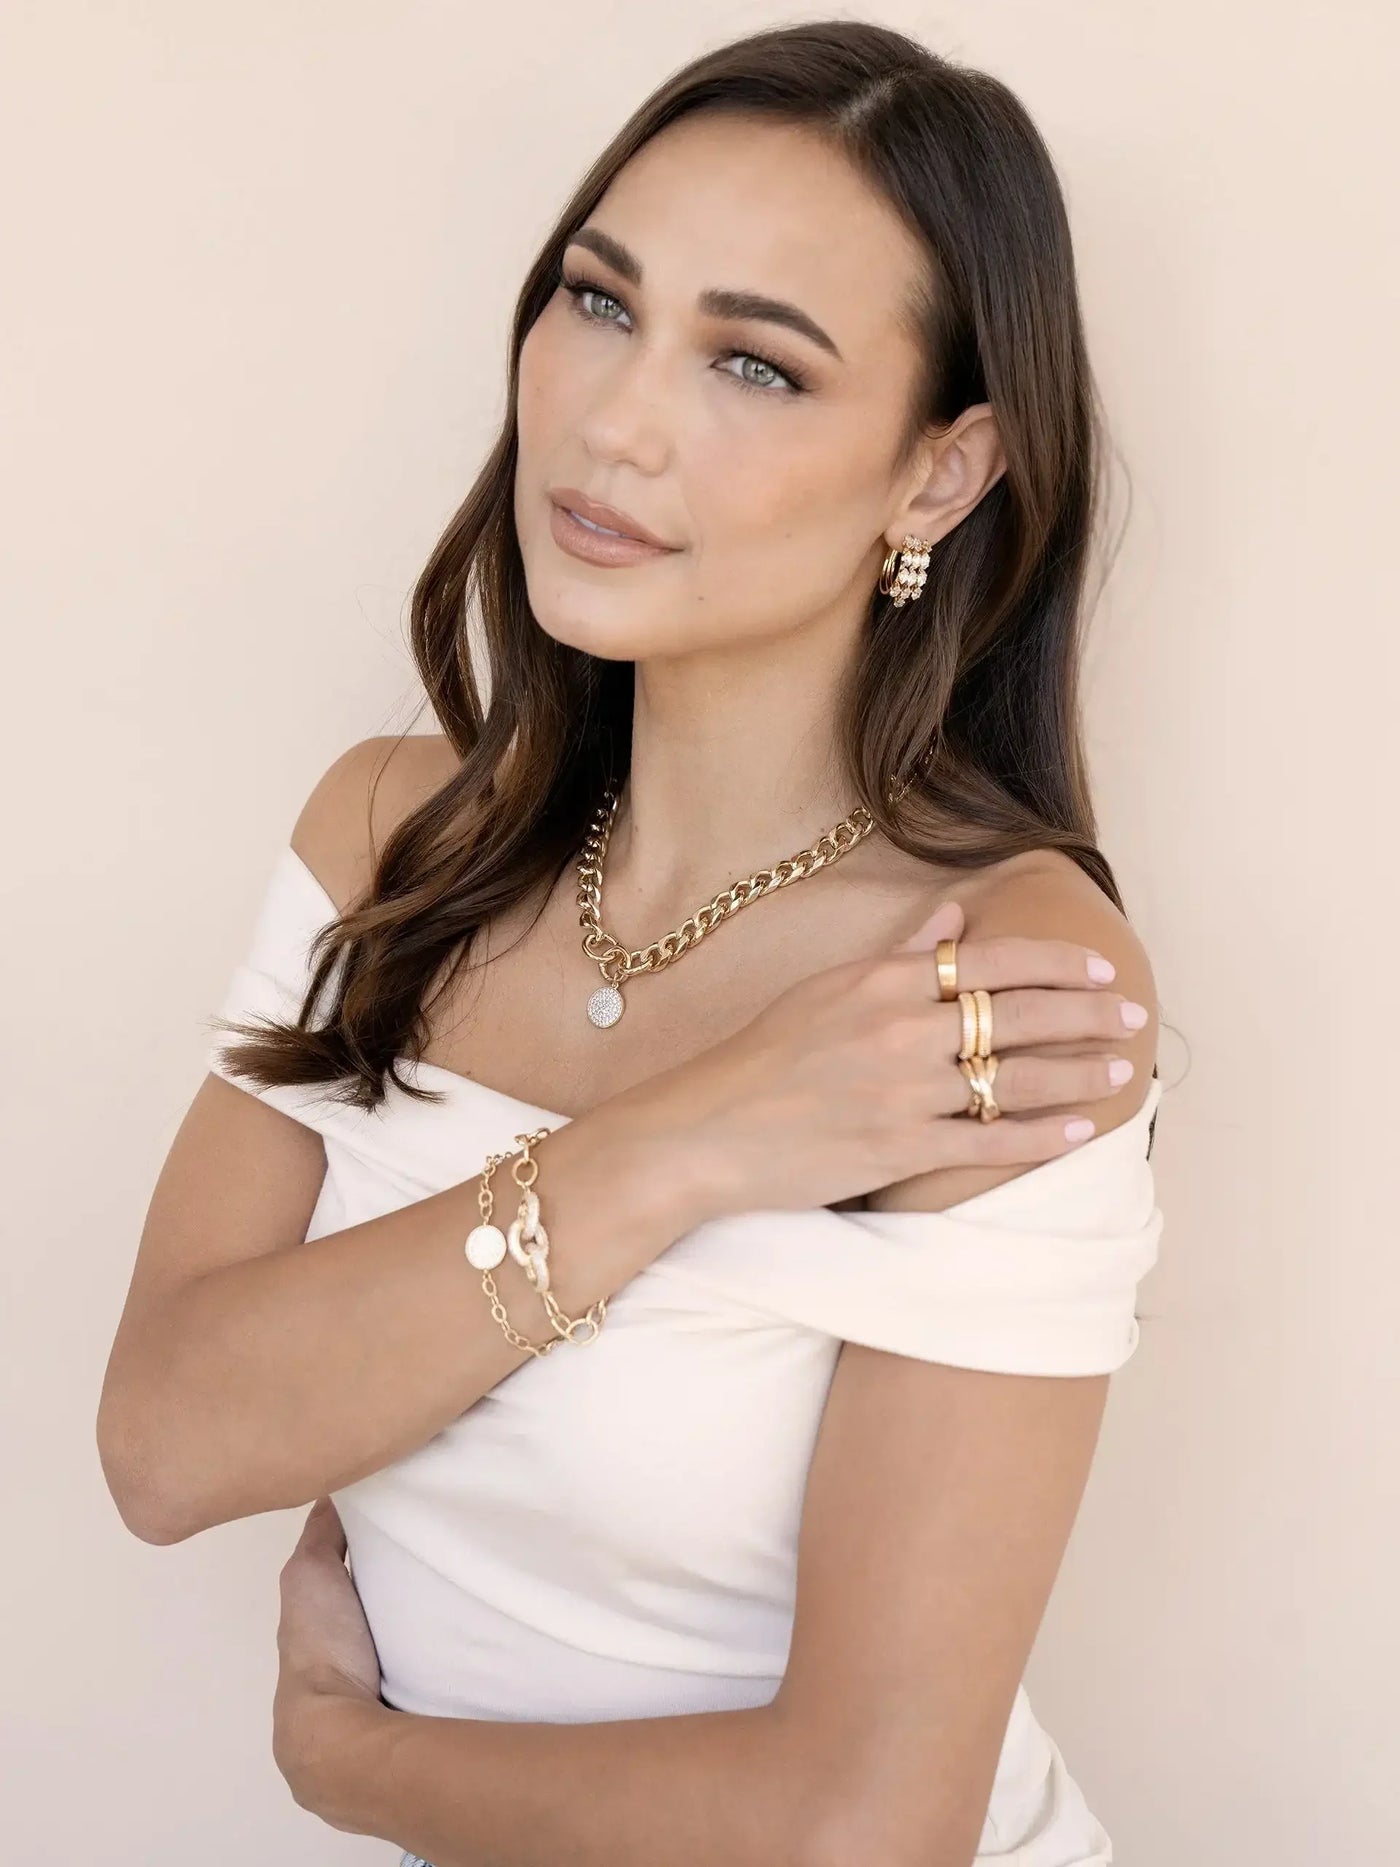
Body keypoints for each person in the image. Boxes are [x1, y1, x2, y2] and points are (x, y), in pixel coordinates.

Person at [97, 20, 1166, 1866]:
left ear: (942, 474)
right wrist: (683, 1142)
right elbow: (170, 1445)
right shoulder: (386, 838)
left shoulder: (1003, 987)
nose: (615, 420)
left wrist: (357, 1773)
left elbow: (864, 1823)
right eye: (600, 303)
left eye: (756, 362)